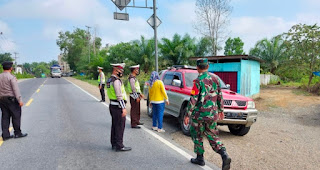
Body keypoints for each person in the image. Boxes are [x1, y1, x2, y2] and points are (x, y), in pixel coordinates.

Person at [184, 58, 231, 170]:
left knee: (197, 135)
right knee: (213, 136)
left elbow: (193, 99)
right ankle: (224, 154)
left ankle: (200, 158)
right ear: (208, 66)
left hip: (199, 115)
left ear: (197, 68)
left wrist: (187, 115)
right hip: (212, 114)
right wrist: (221, 110)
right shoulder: (215, 79)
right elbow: (220, 95)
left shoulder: (198, 81)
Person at [106, 63, 131, 152]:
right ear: (115, 70)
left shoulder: (109, 80)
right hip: (118, 106)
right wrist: (123, 108)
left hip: (112, 105)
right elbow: (119, 96)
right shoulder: (116, 81)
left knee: (115, 125)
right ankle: (119, 145)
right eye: (120, 71)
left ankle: (114, 143)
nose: (121, 72)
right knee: (120, 126)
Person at [0, 61, 28, 141]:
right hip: (11, 99)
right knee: (16, 116)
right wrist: (20, 100)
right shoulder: (11, 77)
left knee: (5, 116)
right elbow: (15, 89)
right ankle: (17, 133)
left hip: (2, 99)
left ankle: (5, 135)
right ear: (11, 68)